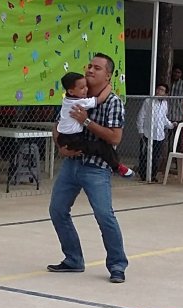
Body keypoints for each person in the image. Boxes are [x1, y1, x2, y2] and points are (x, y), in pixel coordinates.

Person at [47, 53, 129, 284]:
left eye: (97, 68)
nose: (90, 70)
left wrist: (86, 122)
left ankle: (117, 265)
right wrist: (60, 147)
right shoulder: (72, 98)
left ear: (108, 75)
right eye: (89, 66)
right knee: (57, 210)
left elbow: (115, 138)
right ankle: (73, 259)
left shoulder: (113, 102)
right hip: (71, 164)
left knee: (104, 215)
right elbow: (58, 125)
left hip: (96, 168)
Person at [54, 71, 133, 177]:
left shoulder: (67, 100)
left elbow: (115, 138)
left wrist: (61, 146)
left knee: (97, 147)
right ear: (71, 91)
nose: (86, 89)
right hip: (73, 139)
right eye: (82, 88)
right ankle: (116, 167)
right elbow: (100, 99)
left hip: (64, 137)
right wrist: (109, 87)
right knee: (102, 148)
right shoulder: (80, 102)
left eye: (86, 86)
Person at [136, 82, 173, 182]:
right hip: (148, 133)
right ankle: (143, 175)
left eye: (162, 90)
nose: (159, 91)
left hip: (159, 134)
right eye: (158, 89)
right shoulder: (149, 101)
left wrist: (171, 125)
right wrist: (141, 130)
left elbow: (163, 118)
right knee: (145, 154)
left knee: (156, 156)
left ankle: (153, 175)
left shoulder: (165, 103)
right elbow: (141, 116)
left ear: (166, 94)